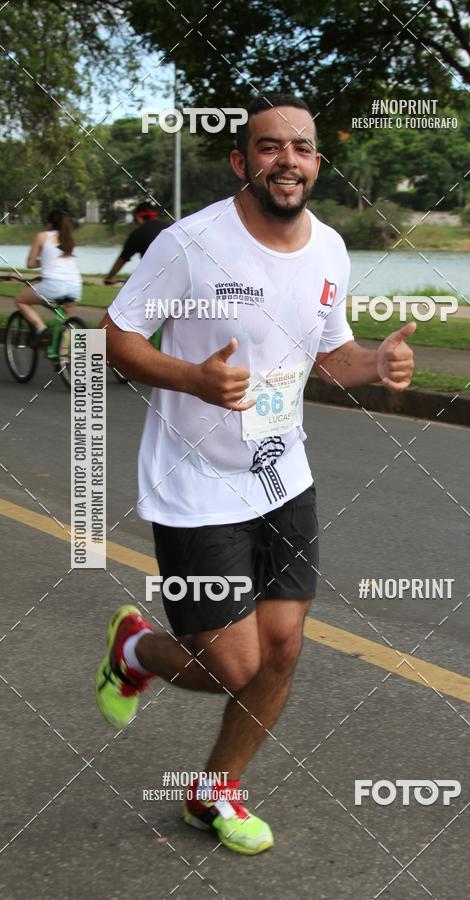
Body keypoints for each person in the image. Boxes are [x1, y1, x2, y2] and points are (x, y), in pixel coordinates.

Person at [96, 93, 416, 856]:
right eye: (269, 147)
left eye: (301, 148)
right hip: (192, 483)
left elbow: (329, 355)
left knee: (282, 650)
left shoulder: (331, 251)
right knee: (233, 662)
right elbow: (116, 336)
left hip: (283, 476)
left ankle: (216, 791)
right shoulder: (189, 243)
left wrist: (374, 363)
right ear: (242, 161)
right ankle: (135, 651)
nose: (288, 160)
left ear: (316, 162)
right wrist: (191, 378)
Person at [16, 208, 82, 346]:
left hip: (53, 286)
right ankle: (63, 358)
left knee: (20, 300)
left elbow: (30, 263)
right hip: (75, 286)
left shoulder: (42, 236)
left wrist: (44, 261)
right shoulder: (69, 239)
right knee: (66, 321)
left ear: (49, 224)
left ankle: (40, 328)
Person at [103, 202, 169, 284]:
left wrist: (109, 277)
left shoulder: (138, 233)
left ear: (138, 218)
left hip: (153, 277)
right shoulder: (170, 227)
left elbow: (122, 260)